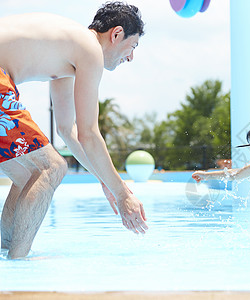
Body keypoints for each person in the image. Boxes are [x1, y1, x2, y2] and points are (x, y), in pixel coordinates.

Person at [0, 2, 148, 259]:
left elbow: (68, 130)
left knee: (28, 174)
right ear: (116, 34)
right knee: (53, 167)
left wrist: (107, 182)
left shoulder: (69, 52)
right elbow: (89, 135)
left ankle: (6, 257)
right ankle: (19, 266)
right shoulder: (90, 50)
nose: (131, 57)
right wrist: (123, 194)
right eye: (133, 46)